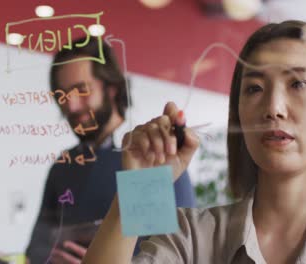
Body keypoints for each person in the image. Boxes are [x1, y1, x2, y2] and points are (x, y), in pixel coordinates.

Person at [82, 20, 306, 263]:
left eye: (298, 84)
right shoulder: (191, 238)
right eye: (255, 88)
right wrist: (140, 185)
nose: (273, 107)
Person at [26, 37, 197, 263]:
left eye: (81, 90)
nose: (71, 105)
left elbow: (176, 256)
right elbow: (35, 251)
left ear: (112, 89)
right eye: (63, 95)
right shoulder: (63, 166)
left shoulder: (153, 157)